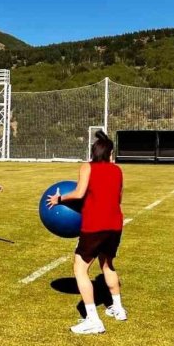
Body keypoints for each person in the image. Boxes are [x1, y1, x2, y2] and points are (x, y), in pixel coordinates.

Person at [46, 130, 125, 335]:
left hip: (95, 226)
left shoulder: (87, 167)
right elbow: (118, 198)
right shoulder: (117, 170)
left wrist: (59, 199)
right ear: (109, 153)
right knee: (107, 265)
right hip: (115, 225)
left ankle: (93, 320)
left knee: (80, 269)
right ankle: (118, 309)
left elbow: (79, 193)